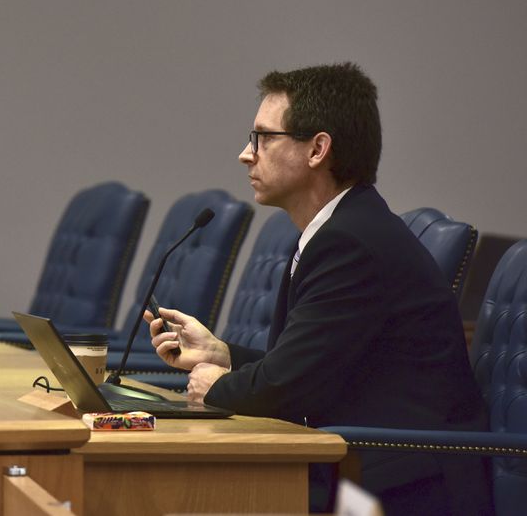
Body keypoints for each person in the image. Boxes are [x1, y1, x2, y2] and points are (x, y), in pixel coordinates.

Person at [145, 62, 491, 515]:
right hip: (364, 463)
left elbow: (289, 388)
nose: (245, 154)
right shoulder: (339, 229)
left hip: (401, 484)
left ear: (317, 149)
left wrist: (215, 388)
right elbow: (313, 365)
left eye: (262, 138)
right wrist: (222, 355)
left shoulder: (351, 243)